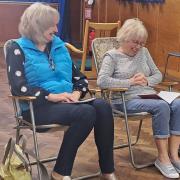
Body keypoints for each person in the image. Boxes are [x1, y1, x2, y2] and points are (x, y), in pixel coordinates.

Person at [6, 3, 117, 180]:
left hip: (67, 102)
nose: (57, 29)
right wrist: (52, 96)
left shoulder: (59, 46)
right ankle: (60, 172)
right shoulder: (16, 47)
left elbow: (80, 79)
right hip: (36, 107)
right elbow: (18, 86)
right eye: (53, 25)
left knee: (103, 106)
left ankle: (107, 170)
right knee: (86, 113)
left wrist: (76, 94)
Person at [97, 18, 180, 179]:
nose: (139, 47)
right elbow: (102, 81)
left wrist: (147, 80)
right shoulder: (112, 56)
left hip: (148, 95)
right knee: (162, 107)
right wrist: (130, 82)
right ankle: (162, 159)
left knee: (178, 104)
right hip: (123, 99)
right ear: (125, 38)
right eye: (136, 42)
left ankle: (174, 156)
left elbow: (158, 74)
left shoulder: (144, 52)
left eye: (142, 43)